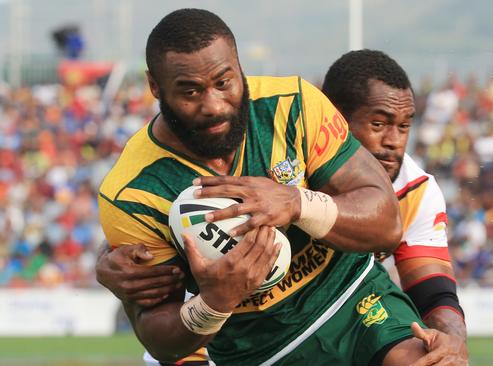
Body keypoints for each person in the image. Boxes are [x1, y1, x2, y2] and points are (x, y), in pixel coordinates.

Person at [98, 8, 444, 366]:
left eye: (224, 82)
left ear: (239, 66)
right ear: (155, 85)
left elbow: (387, 224)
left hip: (355, 300)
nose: (213, 105)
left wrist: (297, 203)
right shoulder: (131, 193)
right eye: (190, 91)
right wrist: (213, 303)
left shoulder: (293, 104)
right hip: (256, 351)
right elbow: (158, 338)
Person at [322, 49, 467, 361]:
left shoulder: (416, 191)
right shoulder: (285, 171)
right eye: (378, 124)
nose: (394, 141)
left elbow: (433, 290)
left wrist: (452, 341)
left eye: (403, 127)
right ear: (333, 119)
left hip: (348, 319)